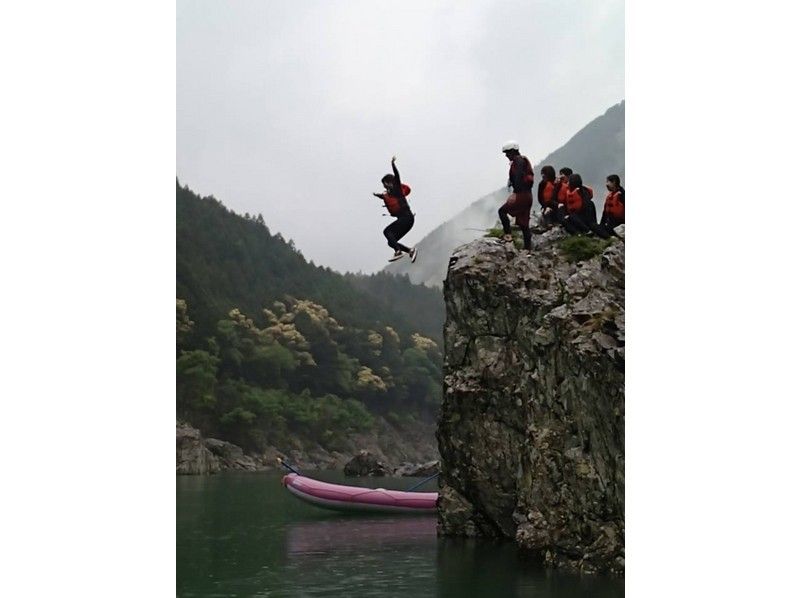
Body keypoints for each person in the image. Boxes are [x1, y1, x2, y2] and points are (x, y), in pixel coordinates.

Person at [373, 156, 418, 263]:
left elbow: (397, 176)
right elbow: (386, 196)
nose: (384, 187)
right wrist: (378, 195)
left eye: (385, 184)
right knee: (391, 241)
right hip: (407, 220)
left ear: (390, 182)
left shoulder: (397, 188)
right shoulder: (391, 193)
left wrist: (393, 164)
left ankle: (398, 251)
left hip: (406, 218)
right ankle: (410, 250)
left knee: (387, 231)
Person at [498, 140, 534, 250]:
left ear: (513, 151)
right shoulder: (522, 160)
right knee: (524, 224)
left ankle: (508, 235)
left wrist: (515, 193)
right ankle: (528, 249)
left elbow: (518, 177)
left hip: (521, 194)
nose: (506, 155)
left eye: (508, 153)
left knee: (502, 211)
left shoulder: (518, 161)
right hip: (528, 195)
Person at [562, 173, 610, 238]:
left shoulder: (582, 192)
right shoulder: (583, 190)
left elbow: (584, 206)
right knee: (570, 218)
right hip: (587, 218)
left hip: (585, 217)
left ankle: (585, 232)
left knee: (570, 217)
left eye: (569, 181)